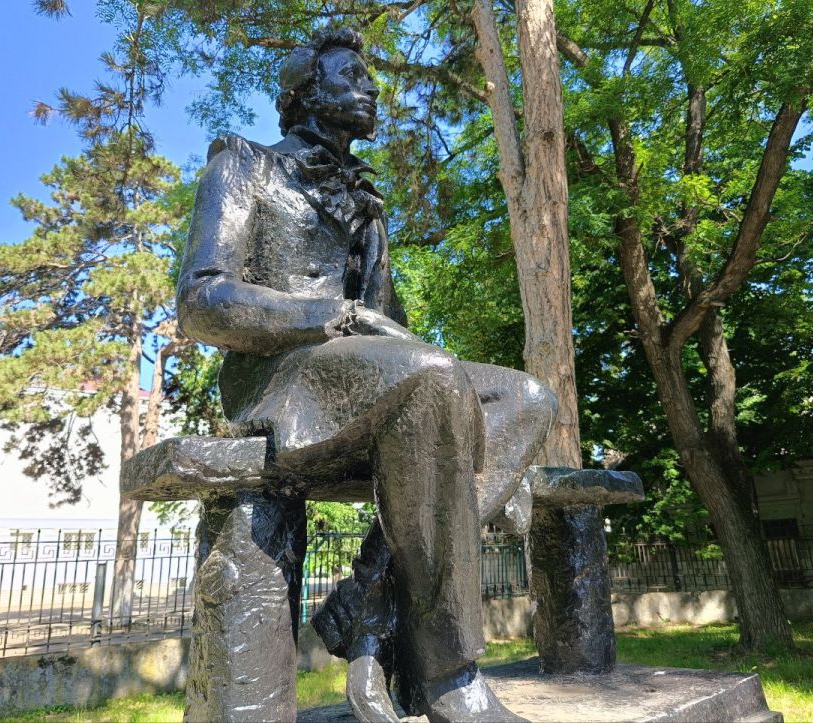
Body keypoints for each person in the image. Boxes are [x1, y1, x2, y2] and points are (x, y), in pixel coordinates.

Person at [177, 27, 555, 722]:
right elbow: (202, 300)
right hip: (277, 376)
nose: (371, 88)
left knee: (526, 398)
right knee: (434, 377)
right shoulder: (244, 165)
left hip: (361, 384)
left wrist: (486, 441)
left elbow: (393, 333)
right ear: (303, 93)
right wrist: (332, 314)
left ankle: (368, 597)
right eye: (350, 76)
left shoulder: (366, 204)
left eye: (370, 78)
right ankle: (450, 676)